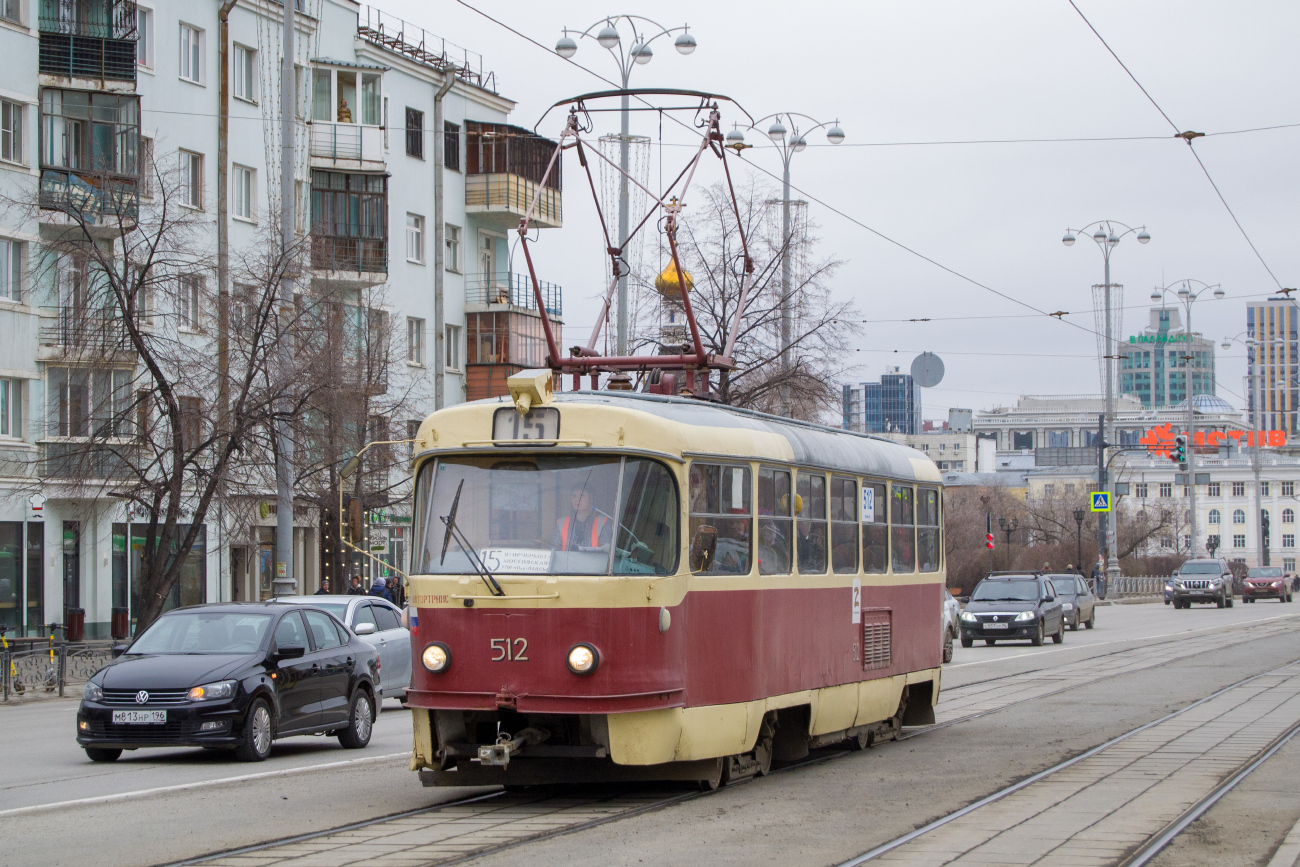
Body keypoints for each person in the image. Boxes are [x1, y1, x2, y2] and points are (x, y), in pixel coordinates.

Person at [550, 484, 612, 551]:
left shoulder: (603, 522)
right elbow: (552, 550)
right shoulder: (561, 522)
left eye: (582, 495)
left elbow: (606, 553)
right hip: (567, 561)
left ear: (591, 499)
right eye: (574, 495)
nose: (577, 499)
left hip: (593, 561)